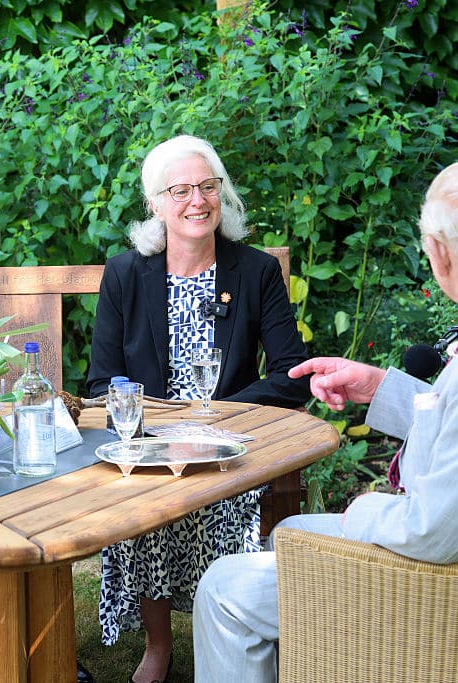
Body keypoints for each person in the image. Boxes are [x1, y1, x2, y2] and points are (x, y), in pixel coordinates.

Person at [192, 157, 458, 682]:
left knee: (226, 588)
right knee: (291, 529)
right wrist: (380, 387)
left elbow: (433, 534)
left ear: (439, 252)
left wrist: (365, 509)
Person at [87, 134, 311, 683]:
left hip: (228, 443)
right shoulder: (125, 274)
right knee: (147, 506)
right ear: (157, 204)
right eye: (181, 190)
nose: (197, 201)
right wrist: (158, 428)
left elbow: (291, 374)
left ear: (221, 195)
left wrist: (219, 414)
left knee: (226, 503)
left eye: (207, 187)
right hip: (151, 441)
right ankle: (159, 646)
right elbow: (99, 381)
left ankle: (231, 627)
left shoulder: (254, 272)